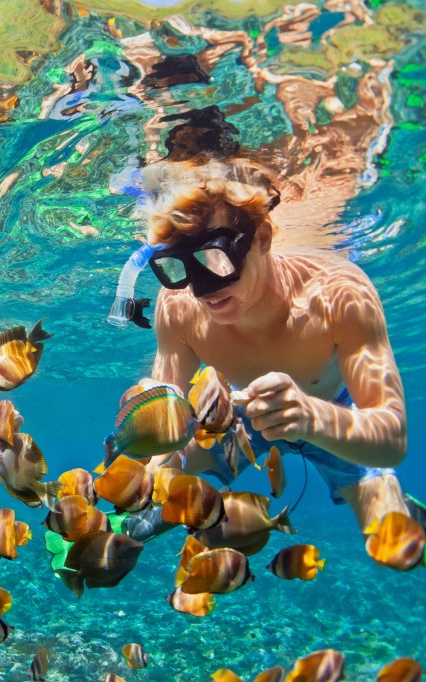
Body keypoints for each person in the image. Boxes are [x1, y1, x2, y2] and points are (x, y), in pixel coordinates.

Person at [122, 154, 411, 536]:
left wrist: (311, 418)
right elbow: (169, 428)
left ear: (262, 238)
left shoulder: (339, 291)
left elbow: (392, 438)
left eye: (216, 258)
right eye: (177, 266)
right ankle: (178, 507)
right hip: (233, 417)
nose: (202, 289)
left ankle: (386, 498)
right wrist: (147, 475)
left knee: (392, 540)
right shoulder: (177, 306)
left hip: (333, 414)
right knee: (146, 488)